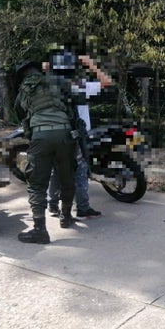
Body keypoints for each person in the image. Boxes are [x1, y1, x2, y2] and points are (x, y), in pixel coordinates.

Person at [14, 59, 78, 243]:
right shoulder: (56, 82)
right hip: (65, 133)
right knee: (67, 177)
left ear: (23, 76)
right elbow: (72, 103)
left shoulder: (24, 89)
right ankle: (66, 216)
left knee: (36, 183)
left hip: (41, 136)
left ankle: (40, 230)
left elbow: (19, 113)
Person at [47, 52, 113, 218]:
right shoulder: (79, 86)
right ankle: (82, 208)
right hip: (76, 136)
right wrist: (90, 63)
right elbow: (106, 81)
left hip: (54, 134)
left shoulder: (49, 87)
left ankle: (52, 205)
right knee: (80, 170)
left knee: (56, 169)